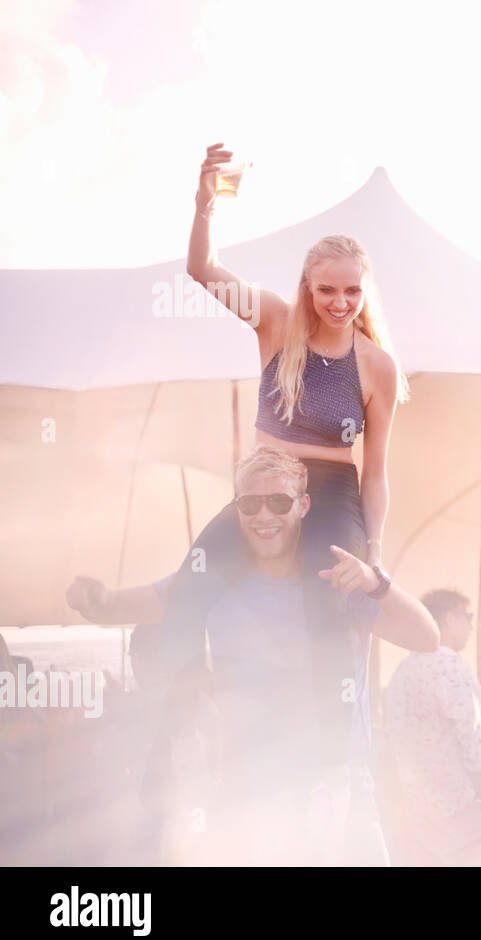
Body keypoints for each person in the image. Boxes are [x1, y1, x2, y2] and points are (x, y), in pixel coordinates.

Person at [66, 447, 439, 865]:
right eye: (250, 503)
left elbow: (426, 637)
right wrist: (92, 597)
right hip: (250, 792)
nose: (265, 516)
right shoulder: (209, 582)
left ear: (304, 505)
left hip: (339, 788)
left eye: (279, 502)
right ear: (236, 508)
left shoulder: (337, 582)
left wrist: (375, 581)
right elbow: (114, 608)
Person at [159, 142, 409, 764]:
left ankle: (328, 761)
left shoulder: (377, 366)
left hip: (331, 493)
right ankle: (181, 726)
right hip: (265, 485)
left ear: (363, 290)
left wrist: (372, 551)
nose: (340, 303)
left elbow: (375, 474)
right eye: (327, 290)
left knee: (327, 598)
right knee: (189, 580)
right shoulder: (274, 321)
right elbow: (202, 270)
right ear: (307, 286)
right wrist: (204, 204)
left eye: (351, 291)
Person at [384, 589, 481, 867]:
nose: (472, 625)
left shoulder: (402, 672)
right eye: (468, 616)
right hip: (459, 804)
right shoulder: (450, 665)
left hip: (416, 808)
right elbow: (474, 741)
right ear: (449, 619)